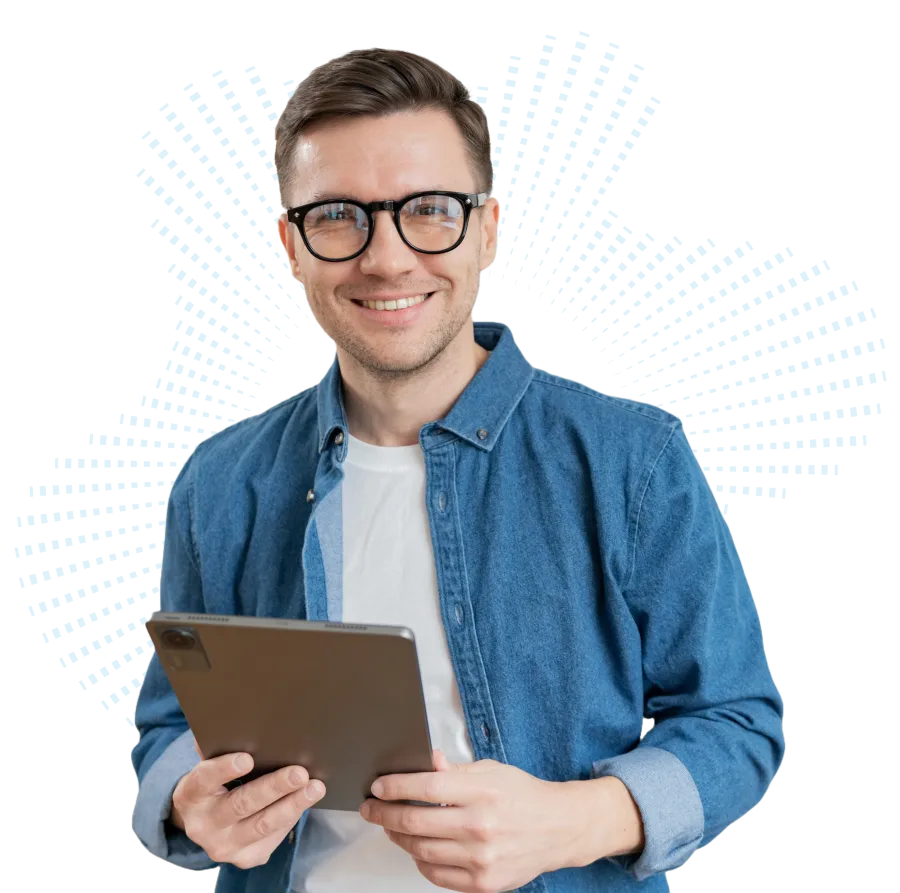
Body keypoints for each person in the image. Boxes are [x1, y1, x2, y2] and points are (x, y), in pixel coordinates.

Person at [131, 47, 785, 893]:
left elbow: (737, 721)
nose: (389, 258)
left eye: (429, 210)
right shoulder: (218, 484)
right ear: (292, 243)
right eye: (339, 215)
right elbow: (169, 728)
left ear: (487, 227)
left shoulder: (635, 459)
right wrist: (189, 802)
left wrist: (576, 820)